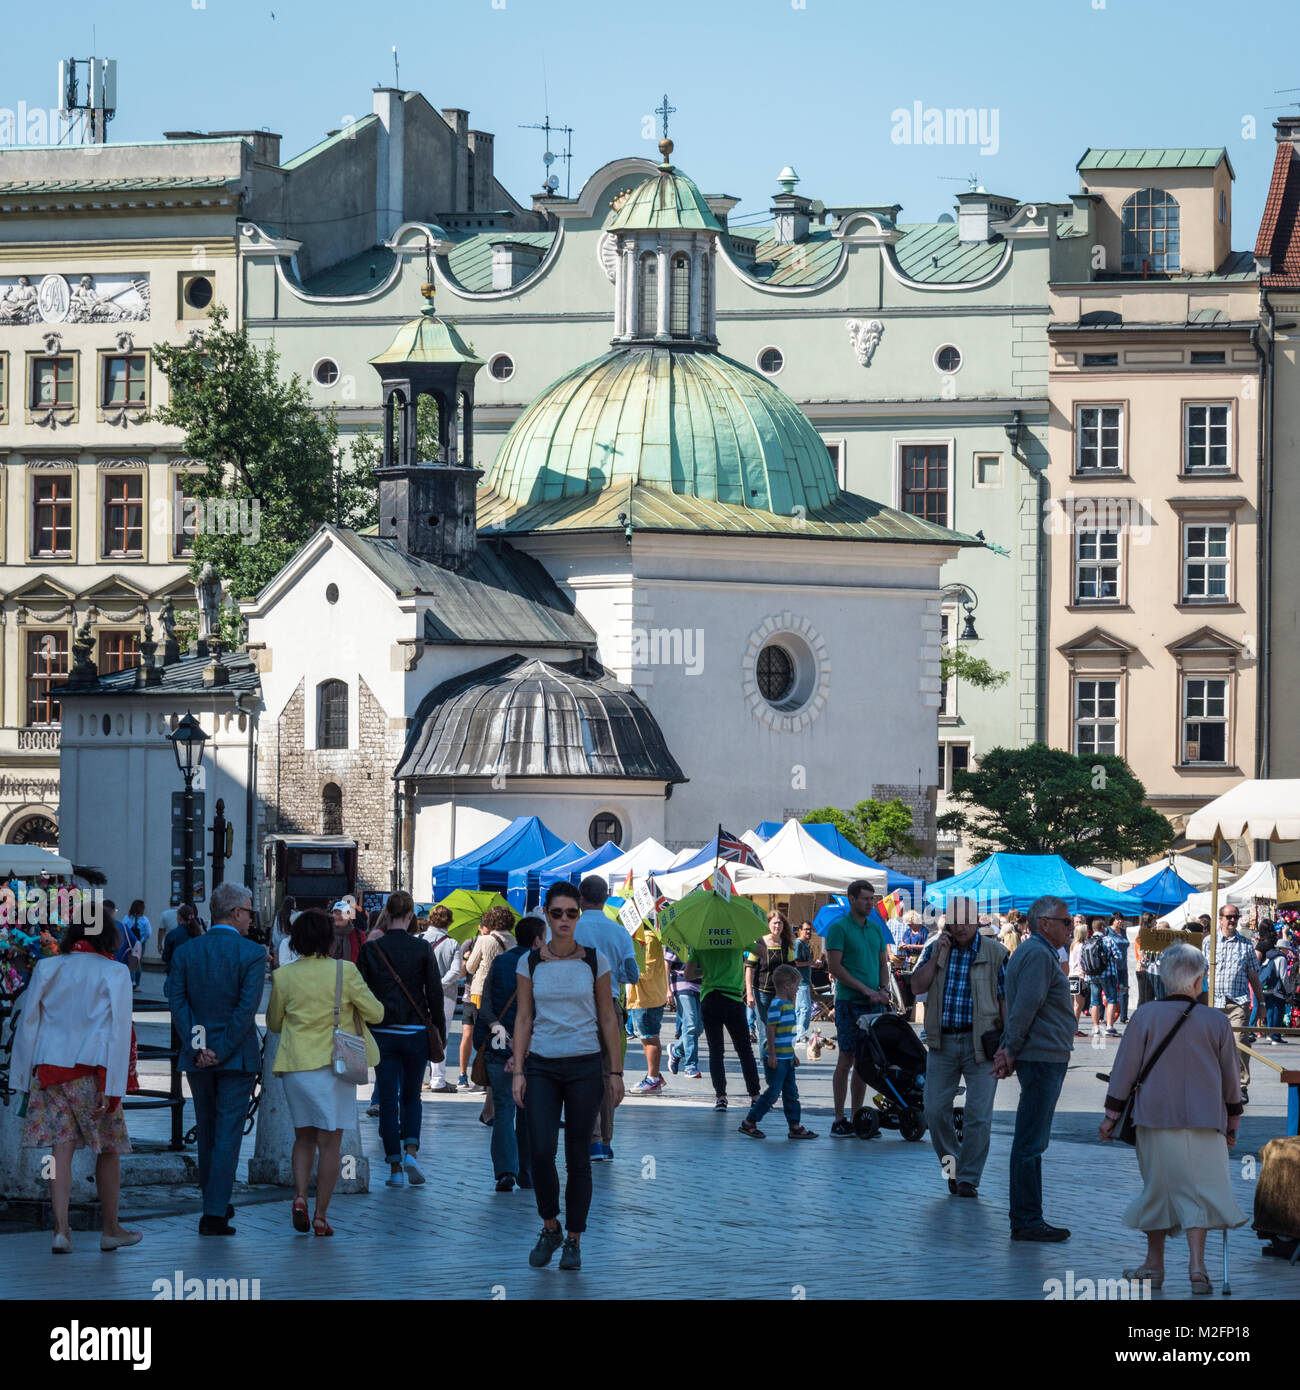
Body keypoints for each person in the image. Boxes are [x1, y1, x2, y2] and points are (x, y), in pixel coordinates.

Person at [1100, 942, 1246, 1293]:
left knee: (1158, 1190)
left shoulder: (1145, 1015)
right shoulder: (1217, 1020)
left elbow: (1125, 1070)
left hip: (1154, 1118)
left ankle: (1155, 1266)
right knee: (1202, 1191)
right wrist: (1233, 1119)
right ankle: (1197, 1268)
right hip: (1206, 1119)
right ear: (1198, 980)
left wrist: (1111, 1114)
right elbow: (1231, 1076)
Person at [9, 912, 142, 1254]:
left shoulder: (47, 969)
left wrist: (22, 1076)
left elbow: (29, 1023)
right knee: (109, 1150)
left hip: (50, 1069)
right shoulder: (115, 972)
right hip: (93, 1070)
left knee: (60, 1150)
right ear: (109, 936)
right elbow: (119, 1030)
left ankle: (61, 1229)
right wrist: (112, 1084)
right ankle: (110, 1228)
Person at [512, 882, 624, 1270]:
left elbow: (608, 1018)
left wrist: (615, 1072)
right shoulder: (529, 962)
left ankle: (574, 1238)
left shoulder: (595, 961)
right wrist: (518, 1069)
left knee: (579, 1157)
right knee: (541, 1150)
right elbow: (523, 1018)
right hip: (542, 1065)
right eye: (556, 913)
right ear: (546, 914)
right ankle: (550, 1225)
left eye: (571, 914)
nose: (563, 920)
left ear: (579, 916)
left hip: (585, 1066)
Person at [266, 907, 384, 1237]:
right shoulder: (344, 972)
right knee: (331, 1143)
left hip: (296, 1068)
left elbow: (274, 1022)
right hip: (336, 1066)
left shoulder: (284, 976)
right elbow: (376, 1013)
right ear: (329, 941)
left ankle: (300, 1195)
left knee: (303, 1136)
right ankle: (320, 1215)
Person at [167, 881, 266, 1236]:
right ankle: (213, 1212)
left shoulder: (187, 952)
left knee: (207, 1129)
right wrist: (221, 1051)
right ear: (237, 912)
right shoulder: (252, 954)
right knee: (228, 1134)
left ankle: (215, 1200)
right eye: (250, 912)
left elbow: (179, 1004)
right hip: (236, 1058)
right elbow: (245, 1010)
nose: (252, 919)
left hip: (197, 1058)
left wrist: (199, 1047)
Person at [911, 894, 1008, 1197]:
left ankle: (968, 1178)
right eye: (957, 921)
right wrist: (938, 955)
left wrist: (1008, 1045)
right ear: (949, 923)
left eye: (967, 921)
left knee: (978, 1116)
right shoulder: (937, 949)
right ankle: (951, 1170)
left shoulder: (997, 953)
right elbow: (916, 986)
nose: (962, 927)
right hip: (943, 1043)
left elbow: (1006, 1001)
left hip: (983, 1044)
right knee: (935, 1111)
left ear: (977, 921)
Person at [993, 894, 1076, 1242]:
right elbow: (1025, 1007)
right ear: (1044, 923)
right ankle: (1026, 1219)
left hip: (1044, 1055)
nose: (1071, 927)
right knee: (1030, 1141)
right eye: (1065, 922)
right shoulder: (1039, 955)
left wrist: (1010, 1047)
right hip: (1041, 1057)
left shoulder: (1036, 953)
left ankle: (1028, 1217)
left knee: (1032, 1140)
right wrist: (1009, 1048)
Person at [358, 890, 445, 1189]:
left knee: (387, 1099)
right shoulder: (422, 950)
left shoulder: (371, 950)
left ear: (387, 913)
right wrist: (441, 1032)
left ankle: (394, 1166)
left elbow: (363, 992)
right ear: (410, 916)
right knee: (412, 1097)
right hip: (415, 1032)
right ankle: (411, 1152)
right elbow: (434, 992)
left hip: (382, 1031)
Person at [572, 875, 638, 1162]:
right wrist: (616, 976)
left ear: (581, 898)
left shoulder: (572, 929)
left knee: (583, 1073)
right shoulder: (619, 931)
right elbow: (633, 974)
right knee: (609, 1073)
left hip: (579, 1005)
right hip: (610, 1004)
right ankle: (606, 1139)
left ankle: (594, 1138)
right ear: (606, 896)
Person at [476, 914, 544, 1191]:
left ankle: (505, 1171)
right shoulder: (541, 965)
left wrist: (498, 1029)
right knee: (529, 1111)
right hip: (531, 1049)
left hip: (497, 1045)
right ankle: (527, 1172)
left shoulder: (500, 961)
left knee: (504, 1109)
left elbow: (485, 1005)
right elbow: (541, 1011)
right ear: (538, 939)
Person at [825, 880, 891, 1137]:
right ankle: (839, 1118)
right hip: (850, 1001)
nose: (870, 903)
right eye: (865, 898)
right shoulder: (838, 929)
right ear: (851, 899)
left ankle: (857, 1116)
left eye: (871, 899)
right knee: (847, 1058)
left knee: (866, 1062)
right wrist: (865, 990)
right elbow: (835, 967)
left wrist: (883, 989)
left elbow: (882, 964)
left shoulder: (875, 929)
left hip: (874, 1003)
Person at [738, 965, 818, 1139]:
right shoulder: (777, 1005)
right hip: (777, 1059)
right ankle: (749, 1122)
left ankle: (794, 1125)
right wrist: (772, 1054)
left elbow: (787, 1035)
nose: (797, 989)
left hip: (786, 1058)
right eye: (796, 985)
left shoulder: (788, 1005)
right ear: (787, 985)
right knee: (773, 1093)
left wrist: (793, 1055)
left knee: (791, 1093)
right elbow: (770, 1030)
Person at [694, 934, 762, 1113]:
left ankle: (721, 1098)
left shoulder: (701, 941)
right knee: (744, 1050)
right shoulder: (737, 936)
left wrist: (707, 971)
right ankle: (755, 1096)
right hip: (732, 999)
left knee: (716, 1051)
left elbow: (688, 973)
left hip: (709, 998)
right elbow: (762, 951)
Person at [1202, 904, 1261, 1103]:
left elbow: (1253, 976)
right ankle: (1213, 1084)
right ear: (1220, 919)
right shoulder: (1209, 942)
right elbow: (1200, 972)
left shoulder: (1245, 944)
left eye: (1235, 917)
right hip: (1213, 1002)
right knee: (1211, 1046)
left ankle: (1241, 1086)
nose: (1232, 920)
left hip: (1237, 1003)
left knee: (1239, 1044)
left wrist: (1261, 1003)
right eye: (1228, 917)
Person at [626, 918, 669, 1093]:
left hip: (647, 997)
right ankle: (654, 1074)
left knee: (649, 1037)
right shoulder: (642, 937)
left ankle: (653, 1079)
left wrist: (626, 969)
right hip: (643, 996)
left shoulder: (648, 938)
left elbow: (646, 970)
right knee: (645, 1037)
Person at [422, 905, 462, 1091]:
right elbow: (456, 971)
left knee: (419, 1032)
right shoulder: (453, 944)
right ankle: (438, 1078)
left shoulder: (418, 939)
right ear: (449, 922)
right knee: (440, 1035)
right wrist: (438, 985)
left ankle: (418, 1076)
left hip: (418, 993)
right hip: (445, 996)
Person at [744, 912, 794, 1054]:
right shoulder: (759, 942)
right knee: (765, 1033)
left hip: (781, 995)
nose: (777, 926)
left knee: (781, 1031)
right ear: (768, 924)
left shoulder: (786, 945)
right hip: (762, 993)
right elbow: (749, 968)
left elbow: (792, 970)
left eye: (780, 923)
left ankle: (777, 1063)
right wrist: (749, 994)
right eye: (774, 922)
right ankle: (767, 1067)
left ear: (784, 926)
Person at [665, 946, 702, 1078]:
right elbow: (667, 964)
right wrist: (667, 989)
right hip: (681, 983)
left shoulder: (703, 938)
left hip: (702, 985)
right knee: (691, 1024)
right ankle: (690, 1066)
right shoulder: (677, 939)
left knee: (698, 1028)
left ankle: (676, 1051)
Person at [161, 904, 204, 974]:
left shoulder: (171, 935)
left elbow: (165, 957)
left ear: (179, 917)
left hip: (175, 971)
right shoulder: (198, 934)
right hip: (193, 972)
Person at [119, 900, 151, 990]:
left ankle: (131, 981)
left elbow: (123, 929)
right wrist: (142, 940)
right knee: (138, 961)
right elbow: (148, 933)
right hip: (140, 943)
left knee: (129, 960)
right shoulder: (145, 920)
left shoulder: (127, 918)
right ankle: (137, 982)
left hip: (129, 942)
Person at [792, 921, 816, 1041]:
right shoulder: (798, 944)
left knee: (799, 1009)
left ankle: (797, 1033)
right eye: (806, 929)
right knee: (805, 1009)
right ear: (800, 930)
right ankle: (801, 1035)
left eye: (810, 929)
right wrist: (811, 963)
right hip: (800, 982)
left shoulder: (805, 944)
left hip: (804, 981)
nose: (808, 932)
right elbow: (796, 963)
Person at [1107, 914, 1132, 1025]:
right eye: (1118, 919)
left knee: (1124, 990)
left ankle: (1124, 1016)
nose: (1120, 921)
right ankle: (1104, 1016)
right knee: (1109, 990)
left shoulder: (1123, 931)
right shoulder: (1107, 931)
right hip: (1111, 966)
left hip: (1123, 965)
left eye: (1121, 919)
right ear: (1113, 920)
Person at [1067, 923, 1089, 1035]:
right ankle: (1074, 1028)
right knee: (1078, 1004)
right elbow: (1082, 962)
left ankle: (1073, 1027)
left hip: (1072, 975)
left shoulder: (1073, 945)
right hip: (1079, 975)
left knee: (1076, 1003)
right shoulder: (1082, 946)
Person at [330, 898, 362, 965]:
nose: (338, 916)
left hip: (353, 974)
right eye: (336, 913)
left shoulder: (359, 935)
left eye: (342, 913)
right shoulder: (325, 934)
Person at [270, 896, 296, 971]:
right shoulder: (294, 914)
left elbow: (276, 934)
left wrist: (275, 954)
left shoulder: (279, 915)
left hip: (280, 945)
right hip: (291, 946)